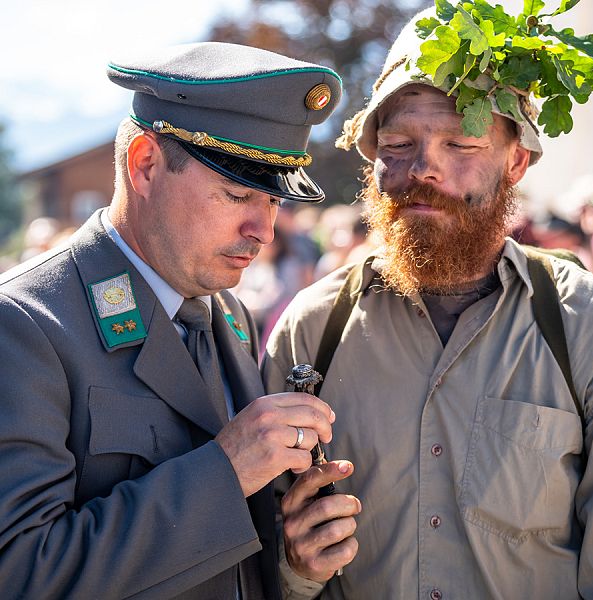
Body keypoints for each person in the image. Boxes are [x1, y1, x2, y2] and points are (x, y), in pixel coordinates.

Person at [262, 7, 593, 600]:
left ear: (516, 160)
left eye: (461, 143)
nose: (424, 168)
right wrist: (294, 572)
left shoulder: (584, 325)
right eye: (399, 143)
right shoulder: (311, 332)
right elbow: (256, 564)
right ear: (374, 160)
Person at [0, 42, 343, 599]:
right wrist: (227, 473)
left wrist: (290, 564)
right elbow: (21, 573)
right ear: (146, 165)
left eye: (275, 202)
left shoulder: (228, 314)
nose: (265, 230)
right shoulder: (24, 323)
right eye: (236, 195)